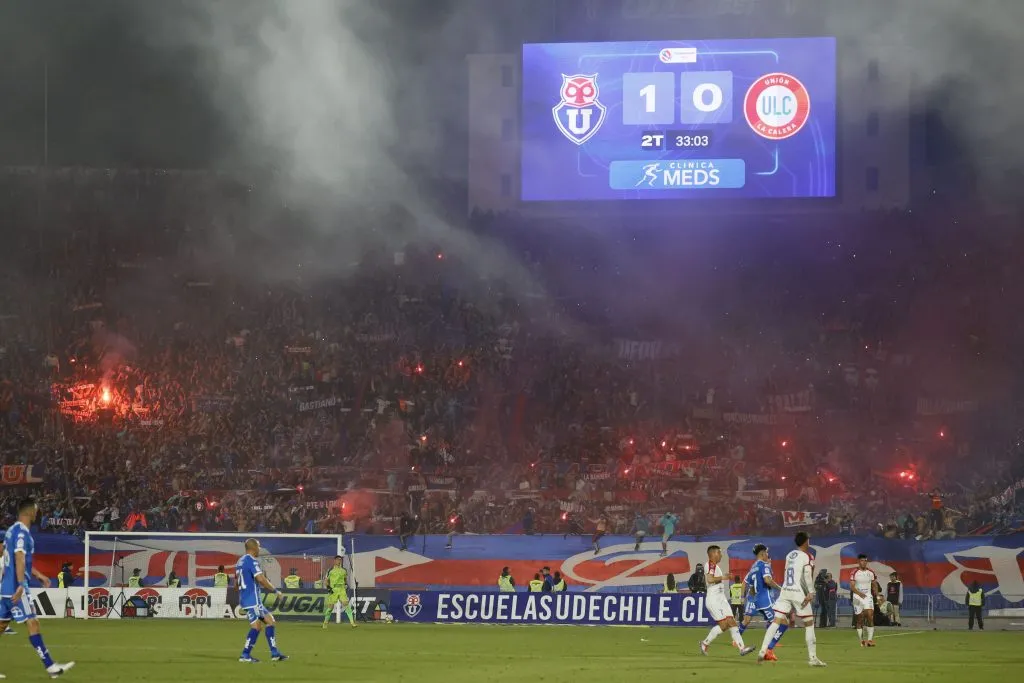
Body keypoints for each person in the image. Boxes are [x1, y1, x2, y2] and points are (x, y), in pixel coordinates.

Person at [0, 498, 75, 677]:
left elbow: (13, 556)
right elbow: (19, 557)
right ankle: (51, 667)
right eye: (36, 509)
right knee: (33, 623)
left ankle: (51, 667)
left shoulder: (11, 531)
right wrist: (20, 585)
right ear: (30, 512)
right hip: (16, 589)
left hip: (4, 589)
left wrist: (38, 575)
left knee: (1, 626)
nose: (37, 511)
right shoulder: (22, 534)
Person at [756, 531, 827, 667]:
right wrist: (811, 592)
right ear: (806, 541)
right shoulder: (808, 556)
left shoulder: (790, 554)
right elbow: (806, 575)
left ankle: (762, 650)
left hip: (785, 590)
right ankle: (812, 658)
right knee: (809, 623)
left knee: (776, 622)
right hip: (798, 592)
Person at [235, 538, 288, 663]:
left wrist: (243, 593)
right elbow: (261, 579)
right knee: (257, 627)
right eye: (258, 547)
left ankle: (274, 653)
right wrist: (275, 591)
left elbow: (236, 582)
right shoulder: (251, 561)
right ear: (253, 548)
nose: (259, 549)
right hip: (252, 600)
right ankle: (245, 655)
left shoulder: (240, 561)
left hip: (248, 599)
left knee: (270, 622)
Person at [699, 545, 755, 657]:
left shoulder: (716, 566)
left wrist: (725, 577)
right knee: (724, 625)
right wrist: (724, 577)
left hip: (721, 599)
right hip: (714, 599)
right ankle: (705, 643)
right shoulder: (710, 564)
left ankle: (742, 648)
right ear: (713, 553)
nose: (721, 555)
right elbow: (709, 579)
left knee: (732, 623)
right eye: (719, 553)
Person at [738, 544, 781, 642]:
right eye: (766, 552)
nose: (767, 554)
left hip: (753, 598)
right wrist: (780, 588)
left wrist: (742, 597)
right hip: (763, 598)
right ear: (762, 554)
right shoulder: (764, 565)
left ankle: (736, 639)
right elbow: (767, 580)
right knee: (774, 620)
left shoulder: (753, 567)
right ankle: (770, 642)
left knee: (746, 620)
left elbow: (745, 582)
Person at [849, 553, 878, 647]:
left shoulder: (871, 572)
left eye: (865, 560)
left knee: (870, 615)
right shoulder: (854, 572)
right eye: (862, 560)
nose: (864, 562)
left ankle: (870, 640)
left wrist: (877, 596)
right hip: (857, 597)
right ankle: (861, 640)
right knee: (860, 619)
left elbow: (874, 584)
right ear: (858, 561)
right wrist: (860, 594)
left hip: (868, 597)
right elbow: (852, 587)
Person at [322, 555, 356, 629]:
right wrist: (328, 588)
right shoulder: (330, 570)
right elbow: (326, 581)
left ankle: (352, 623)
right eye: (338, 560)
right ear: (334, 561)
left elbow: (345, 579)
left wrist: (346, 585)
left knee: (346, 604)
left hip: (341, 589)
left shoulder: (344, 570)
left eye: (340, 560)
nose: (339, 561)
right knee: (330, 607)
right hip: (333, 590)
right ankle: (325, 623)